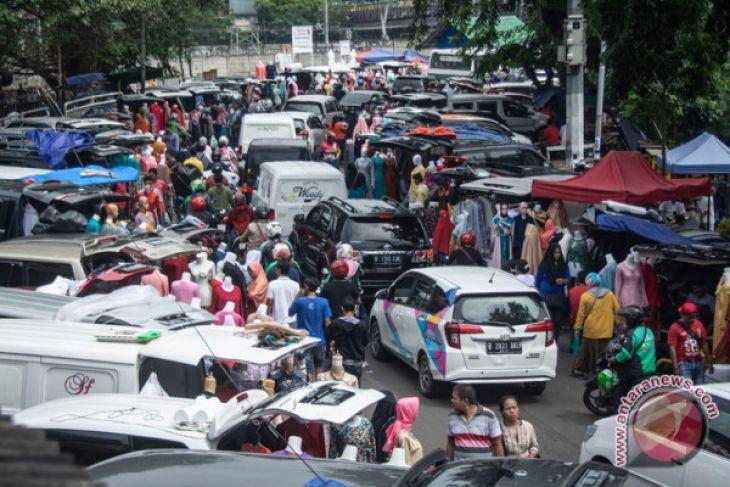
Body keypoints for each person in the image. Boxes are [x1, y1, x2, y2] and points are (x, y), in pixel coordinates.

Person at [572, 273, 620, 377]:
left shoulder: (585, 296)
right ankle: (601, 371)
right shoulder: (609, 294)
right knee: (603, 352)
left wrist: (576, 327)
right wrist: (617, 323)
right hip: (607, 330)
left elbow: (581, 315)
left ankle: (586, 370)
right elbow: (617, 309)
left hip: (591, 330)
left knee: (588, 351)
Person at [446, 384, 504, 460]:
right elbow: (451, 444)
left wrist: (499, 467)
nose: (451, 400)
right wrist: (447, 465)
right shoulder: (452, 417)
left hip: (482, 468)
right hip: (460, 468)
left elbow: (497, 445)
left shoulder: (489, 416)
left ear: (465, 401)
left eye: (454, 398)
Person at [288, 278, 332, 378]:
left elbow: (290, 313)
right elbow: (327, 321)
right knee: (320, 367)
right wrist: (329, 338)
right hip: (320, 340)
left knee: (307, 370)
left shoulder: (300, 301)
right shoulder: (324, 302)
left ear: (307, 287)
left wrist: (297, 296)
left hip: (305, 341)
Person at [611, 306, 656, 394]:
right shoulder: (648, 331)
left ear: (631, 321)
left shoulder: (632, 333)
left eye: (624, 320)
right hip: (650, 369)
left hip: (637, 371)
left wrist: (614, 358)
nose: (622, 322)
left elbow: (626, 354)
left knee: (620, 393)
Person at [669, 302, 714, 385]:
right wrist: (675, 367)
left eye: (693, 316)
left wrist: (709, 361)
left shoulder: (699, 325)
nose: (691, 319)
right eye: (689, 317)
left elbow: (704, 343)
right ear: (682, 315)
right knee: (688, 390)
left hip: (698, 361)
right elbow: (672, 347)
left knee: (700, 389)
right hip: (684, 363)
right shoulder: (674, 327)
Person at [535, 243, 571, 340]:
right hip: (545, 297)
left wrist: (563, 281)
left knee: (557, 322)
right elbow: (537, 281)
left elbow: (569, 279)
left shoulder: (563, 265)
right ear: (551, 253)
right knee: (546, 320)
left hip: (558, 298)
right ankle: (544, 340)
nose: (557, 255)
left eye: (559, 253)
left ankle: (555, 341)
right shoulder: (544, 265)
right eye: (555, 253)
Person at [326, 300, 368, 382]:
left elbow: (327, 337)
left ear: (342, 309)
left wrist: (333, 342)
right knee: (356, 386)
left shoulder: (336, 323)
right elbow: (365, 342)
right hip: (357, 361)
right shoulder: (362, 324)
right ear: (354, 310)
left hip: (341, 362)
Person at [383, 397, 423, 465]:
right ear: (409, 412)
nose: (418, 412)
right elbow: (406, 463)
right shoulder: (404, 437)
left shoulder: (398, 428)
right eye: (415, 409)